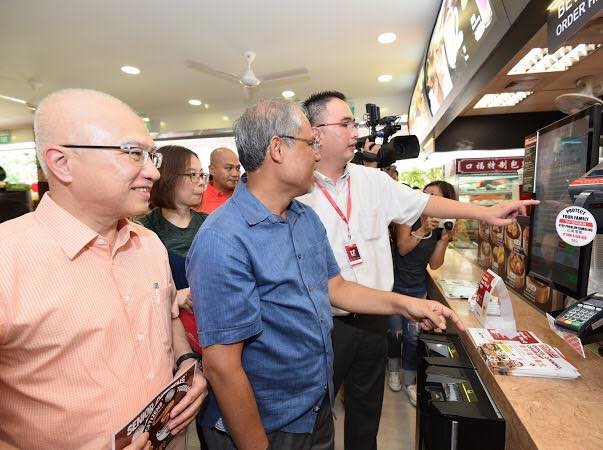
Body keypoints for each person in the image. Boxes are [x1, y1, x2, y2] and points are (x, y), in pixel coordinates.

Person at [186, 99, 465, 450]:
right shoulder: (223, 239)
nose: (317, 155)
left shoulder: (304, 218)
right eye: (310, 144)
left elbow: (336, 286)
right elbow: (222, 368)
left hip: (316, 409)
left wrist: (407, 304)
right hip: (265, 425)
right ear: (278, 149)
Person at [298, 90, 537, 450]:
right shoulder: (298, 188)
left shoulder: (373, 181)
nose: (355, 132)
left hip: (375, 321)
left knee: (366, 414)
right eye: (345, 124)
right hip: (323, 324)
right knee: (315, 419)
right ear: (316, 132)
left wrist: (486, 212)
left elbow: (426, 202)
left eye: (354, 123)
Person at [0, 89, 207, 449]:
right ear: (62, 163)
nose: (152, 172)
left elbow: (168, 314)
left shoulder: (149, 245)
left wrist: (186, 360)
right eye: (133, 153)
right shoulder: (8, 259)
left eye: (152, 156)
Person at [387, 180, 457, 404]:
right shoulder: (408, 217)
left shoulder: (441, 227)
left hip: (417, 288)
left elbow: (435, 264)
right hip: (394, 286)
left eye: (433, 195)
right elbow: (403, 248)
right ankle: (393, 371)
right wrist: (424, 229)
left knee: (412, 338)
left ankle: (410, 381)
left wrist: (444, 240)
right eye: (425, 193)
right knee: (394, 332)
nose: (425, 198)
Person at [139, 145, 209, 354]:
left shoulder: (210, 224)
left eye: (202, 175)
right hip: (167, 340)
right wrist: (174, 297)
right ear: (168, 178)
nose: (201, 182)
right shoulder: (143, 231)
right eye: (192, 175)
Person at [193, 147, 240, 213]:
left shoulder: (245, 193)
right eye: (228, 168)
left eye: (237, 168)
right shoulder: (198, 196)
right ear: (212, 170)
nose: (235, 174)